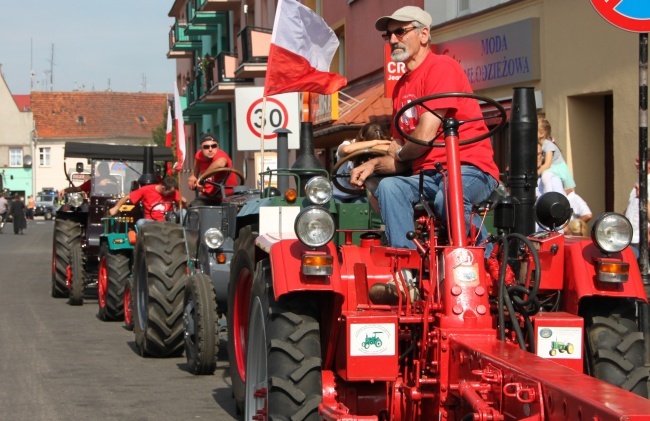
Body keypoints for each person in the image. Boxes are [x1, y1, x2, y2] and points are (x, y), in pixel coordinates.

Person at [350, 6, 500, 256]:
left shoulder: (441, 67)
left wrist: (398, 154)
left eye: (400, 31)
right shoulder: (400, 88)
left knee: (448, 196)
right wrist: (373, 166)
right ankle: (407, 267)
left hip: (469, 168)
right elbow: (401, 154)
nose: (393, 40)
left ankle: (486, 255)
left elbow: (422, 137)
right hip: (427, 175)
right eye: (389, 35)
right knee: (388, 188)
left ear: (423, 34)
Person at [333, 123, 392, 202]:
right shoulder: (348, 144)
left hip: (362, 193)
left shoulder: (377, 153)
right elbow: (345, 150)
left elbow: (393, 149)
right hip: (338, 193)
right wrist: (376, 143)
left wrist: (375, 148)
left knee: (362, 205)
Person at [108, 177, 186, 227]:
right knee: (140, 223)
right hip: (151, 220)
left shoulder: (174, 192)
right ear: (163, 188)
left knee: (183, 212)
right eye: (170, 193)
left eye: (173, 193)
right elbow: (127, 197)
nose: (171, 195)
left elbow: (182, 204)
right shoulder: (146, 190)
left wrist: (184, 202)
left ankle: (185, 235)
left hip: (168, 219)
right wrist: (116, 207)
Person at [187, 133, 237, 206]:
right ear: (201, 148)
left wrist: (201, 178)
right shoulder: (199, 155)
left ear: (218, 147)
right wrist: (194, 175)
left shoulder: (221, 155)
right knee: (194, 208)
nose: (210, 149)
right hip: (208, 197)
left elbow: (220, 163)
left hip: (228, 197)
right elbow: (197, 162)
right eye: (206, 147)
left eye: (213, 146)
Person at [537, 117, 576, 194]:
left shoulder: (548, 145)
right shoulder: (540, 145)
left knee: (545, 176)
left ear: (542, 133)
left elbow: (547, 164)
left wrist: (536, 173)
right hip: (553, 167)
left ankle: (549, 195)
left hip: (557, 168)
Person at [624, 156, 650, 257]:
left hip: (642, 239)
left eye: (639, 161)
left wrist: (643, 198)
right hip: (631, 237)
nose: (635, 164)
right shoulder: (640, 182)